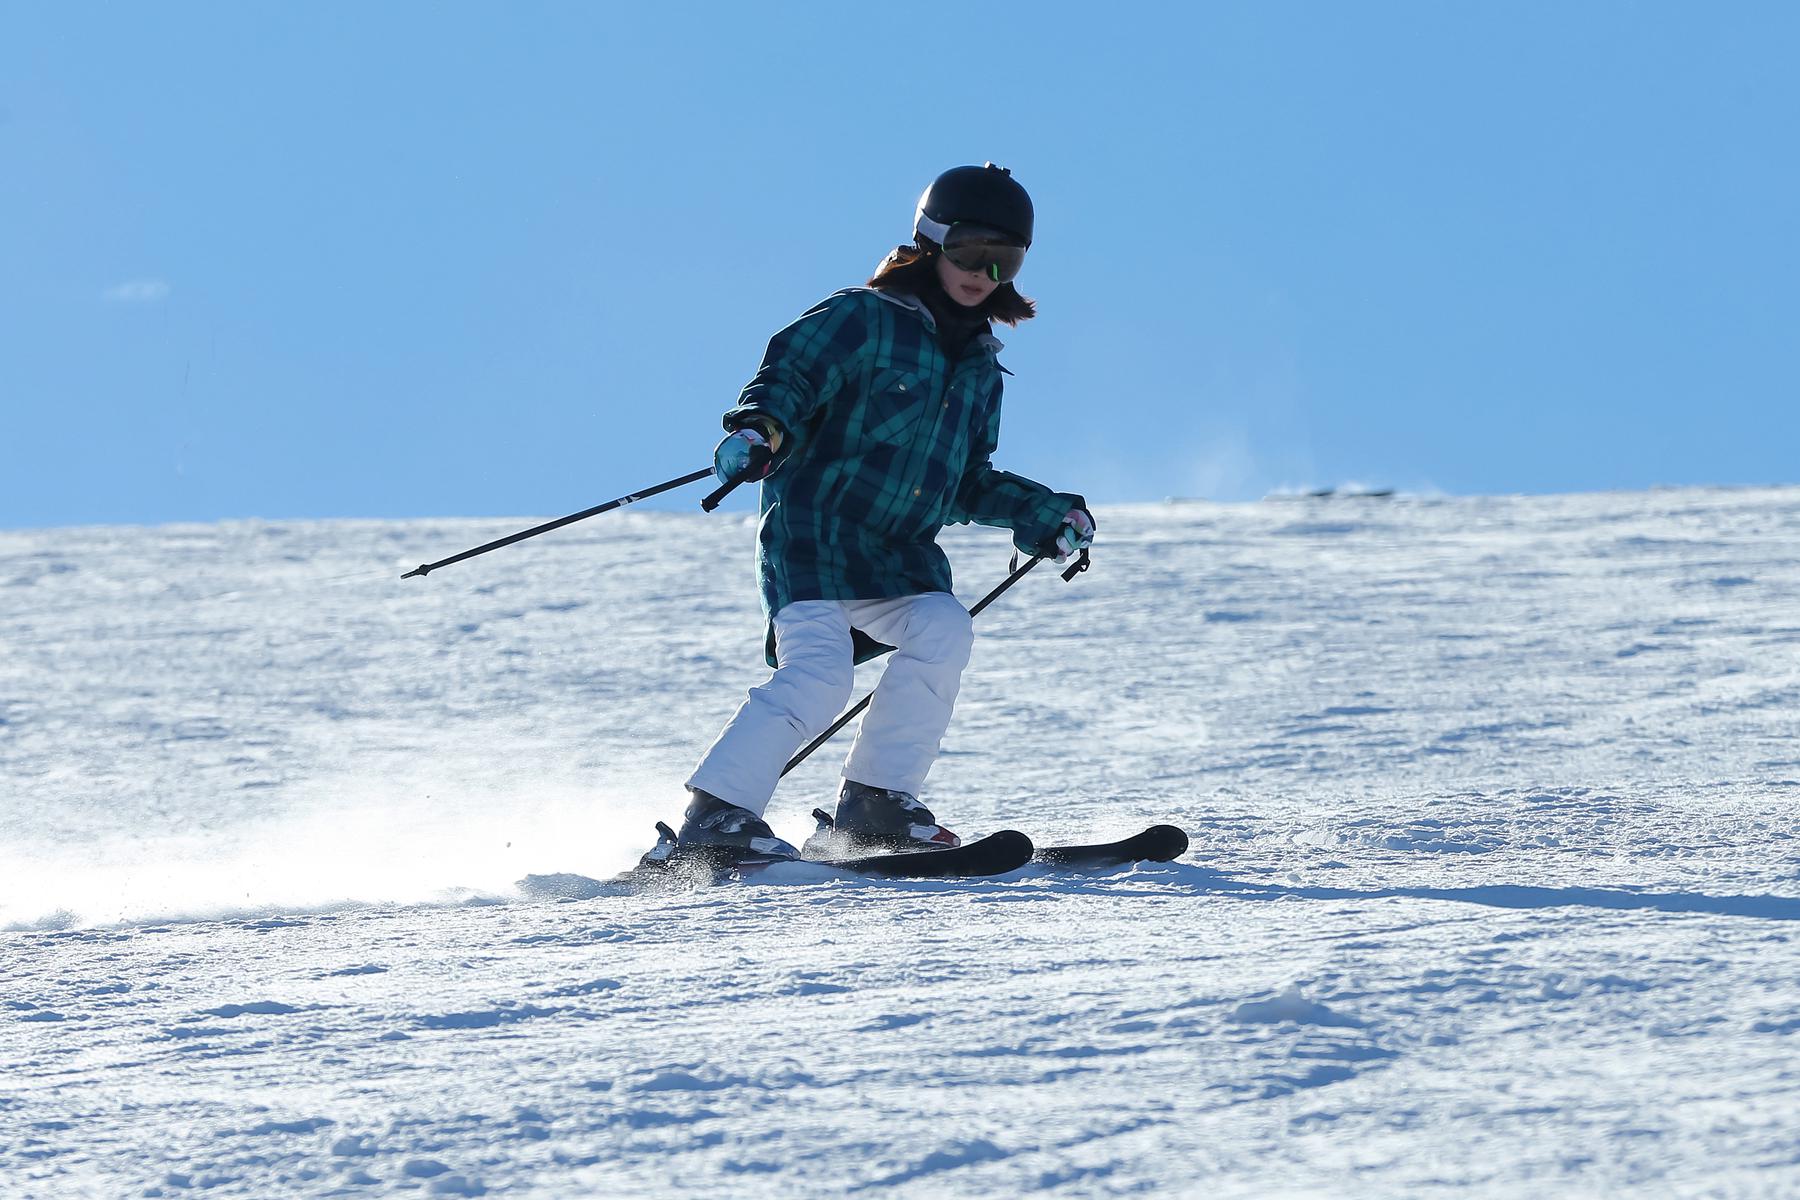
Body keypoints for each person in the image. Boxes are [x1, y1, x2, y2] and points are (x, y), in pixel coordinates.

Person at [673, 163, 1095, 862]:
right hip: (815, 541)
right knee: (819, 674)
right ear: (930, 242)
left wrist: (1041, 514)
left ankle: (875, 803)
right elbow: (790, 375)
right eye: (968, 251)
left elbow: (965, 480)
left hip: (898, 557)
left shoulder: (981, 369)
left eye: (1005, 258)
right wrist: (759, 430)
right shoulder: (862, 318)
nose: (983, 271)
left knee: (941, 625)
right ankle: (715, 816)